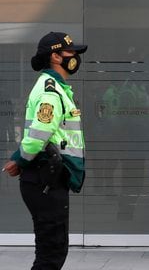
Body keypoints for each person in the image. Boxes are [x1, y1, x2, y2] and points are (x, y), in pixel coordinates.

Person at [2, 32, 87, 270]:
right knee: (51, 252)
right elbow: (39, 133)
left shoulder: (57, 88)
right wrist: (19, 159)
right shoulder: (50, 91)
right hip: (44, 177)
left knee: (53, 248)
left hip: (49, 176)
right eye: (71, 53)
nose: (76, 58)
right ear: (56, 57)